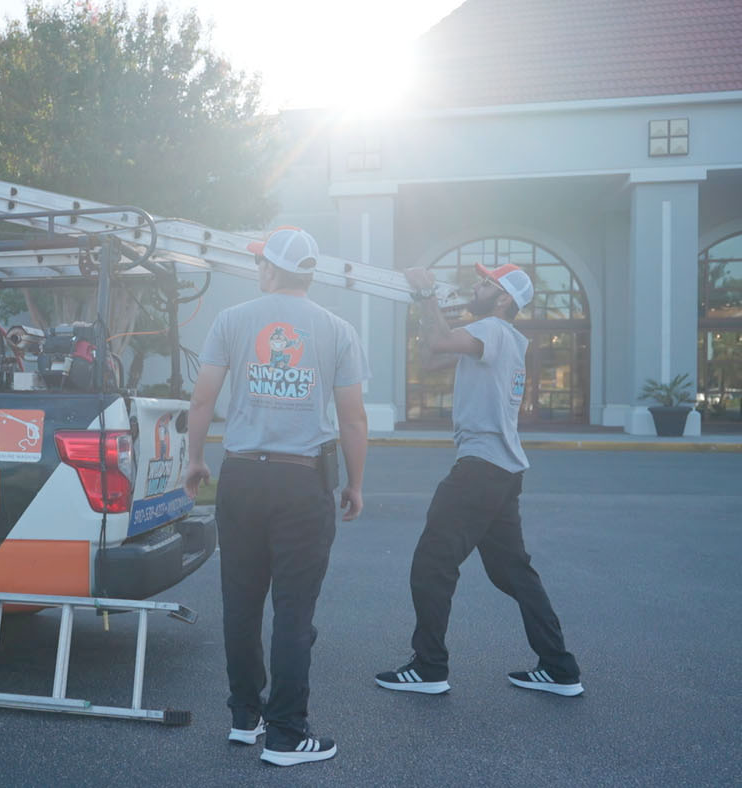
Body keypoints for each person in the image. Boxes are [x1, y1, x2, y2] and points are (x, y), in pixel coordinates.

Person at [184, 226, 369, 767]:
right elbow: (353, 419)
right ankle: (288, 733)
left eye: (260, 262)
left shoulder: (232, 321)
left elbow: (202, 402)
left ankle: (246, 717)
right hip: (301, 480)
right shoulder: (336, 330)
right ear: (308, 274)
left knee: (240, 604)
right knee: (293, 610)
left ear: (268, 270)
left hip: (240, 477)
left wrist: (196, 460)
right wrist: (355, 484)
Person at [376, 263, 583, 697]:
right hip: (503, 472)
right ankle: (560, 668)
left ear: (504, 298)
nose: (476, 285)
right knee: (513, 573)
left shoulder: (491, 328)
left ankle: (429, 667)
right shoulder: (497, 336)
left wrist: (425, 294)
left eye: (486, 282)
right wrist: (428, 308)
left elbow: (435, 340)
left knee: (432, 563)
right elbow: (432, 355)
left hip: (480, 469)